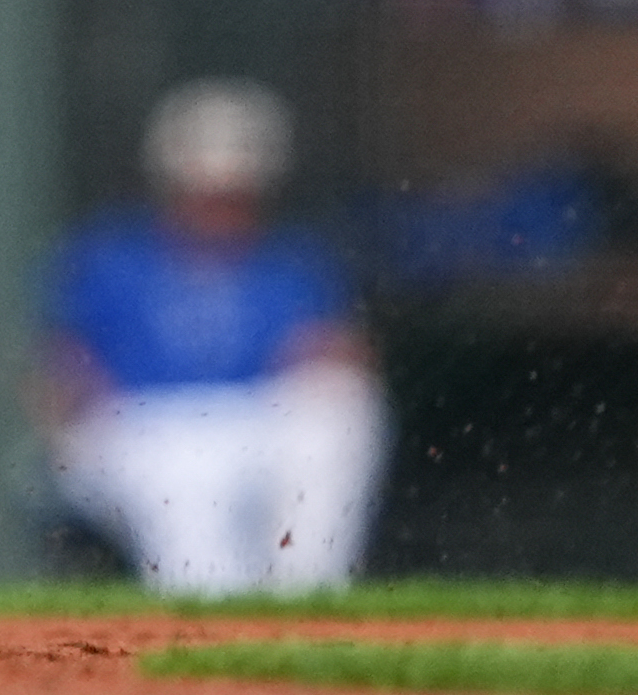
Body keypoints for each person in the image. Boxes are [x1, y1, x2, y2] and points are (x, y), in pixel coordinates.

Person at [48, 78, 386, 598]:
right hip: (145, 427)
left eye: (235, 191)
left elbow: (340, 354)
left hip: (248, 418)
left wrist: (329, 360)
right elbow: (59, 366)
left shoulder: (290, 262)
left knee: (340, 406)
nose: (221, 203)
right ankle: (216, 627)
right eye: (206, 190)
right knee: (188, 498)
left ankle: (309, 600)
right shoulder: (112, 256)